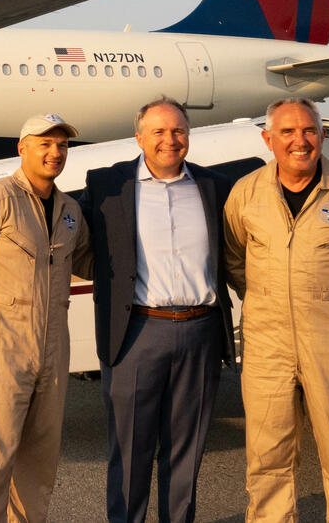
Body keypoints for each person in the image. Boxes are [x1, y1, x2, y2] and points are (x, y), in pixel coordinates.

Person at [223, 97, 329, 522]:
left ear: (321, 137)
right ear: (269, 139)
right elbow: (233, 259)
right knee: (267, 457)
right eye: (287, 132)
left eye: (308, 131)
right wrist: (272, 299)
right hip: (267, 343)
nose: (299, 141)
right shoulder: (246, 193)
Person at [76, 97, 235, 523]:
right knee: (130, 450)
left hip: (200, 332)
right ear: (139, 137)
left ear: (189, 135)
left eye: (178, 131)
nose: (170, 140)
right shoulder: (108, 185)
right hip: (136, 332)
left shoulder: (213, 186)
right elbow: (74, 243)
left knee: (186, 451)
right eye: (160, 132)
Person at [0, 113, 90, 522]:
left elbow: (89, 262)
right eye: (44, 144)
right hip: (1, 345)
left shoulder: (70, 210)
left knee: (39, 464)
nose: (55, 152)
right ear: (22, 148)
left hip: (52, 349)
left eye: (62, 145)